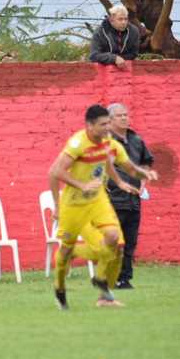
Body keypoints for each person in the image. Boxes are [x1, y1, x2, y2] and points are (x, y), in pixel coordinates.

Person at [48, 104, 157, 310]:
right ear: (90, 126)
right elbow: (54, 172)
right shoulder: (77, 143)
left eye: (108, 123)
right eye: (103, 124)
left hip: (98, 200)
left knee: (115, 240)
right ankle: (60, 288)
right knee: (66, 251)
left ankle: (102, 287)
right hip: (74, 205)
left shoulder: (109, 144)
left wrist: (130, 179)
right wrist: (58, 204)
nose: (108, 128)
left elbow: (118, 164)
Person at [107, 103, 154, 289]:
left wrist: (143, 181)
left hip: (134, 200)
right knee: (113, 240)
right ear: (109, 120)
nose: (125, 118)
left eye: (126, 115)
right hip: (112, 199)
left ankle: (124, 279)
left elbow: (146, 162)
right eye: (120, 116)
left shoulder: (136, 140)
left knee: (130, 241)